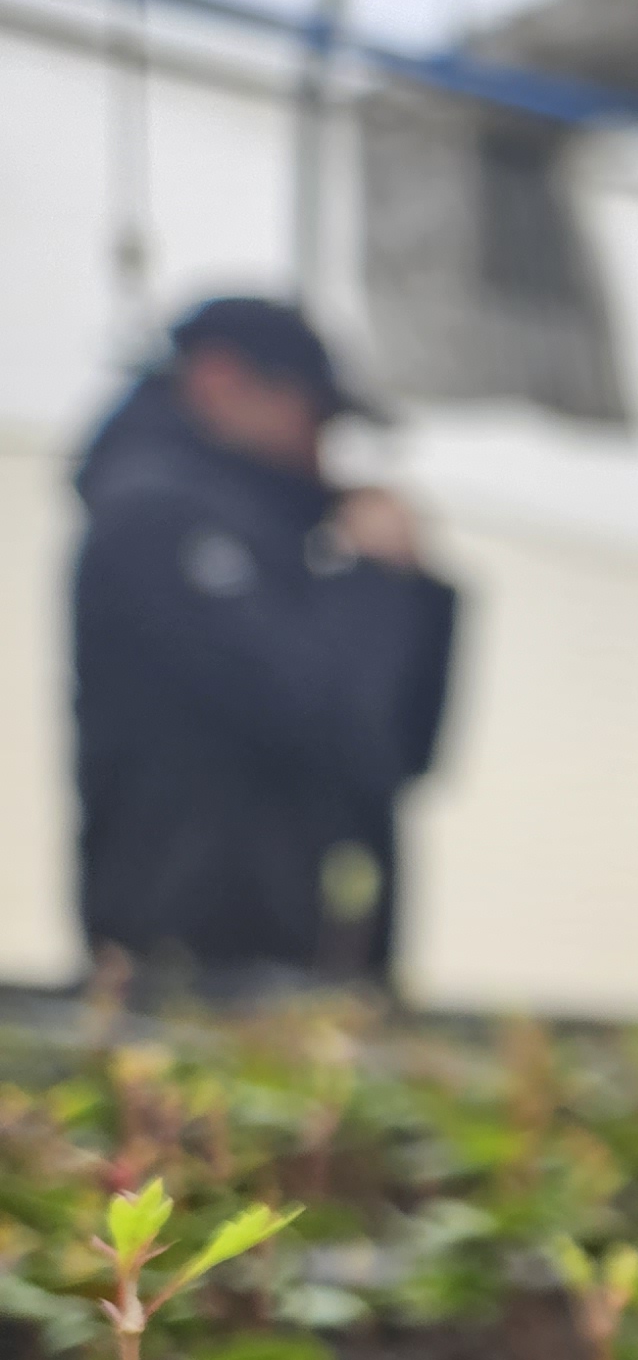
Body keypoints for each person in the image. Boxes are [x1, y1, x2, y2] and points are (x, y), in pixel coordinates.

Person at [69, 296, 458, 995]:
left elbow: (395, 750)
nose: (323, 452)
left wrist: (410, 594)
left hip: (290, 953)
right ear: (222, 382)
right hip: (202, 956)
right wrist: (370, 582)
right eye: (316, 419)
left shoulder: (278, 540)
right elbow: (305, 711)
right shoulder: (160, 518)